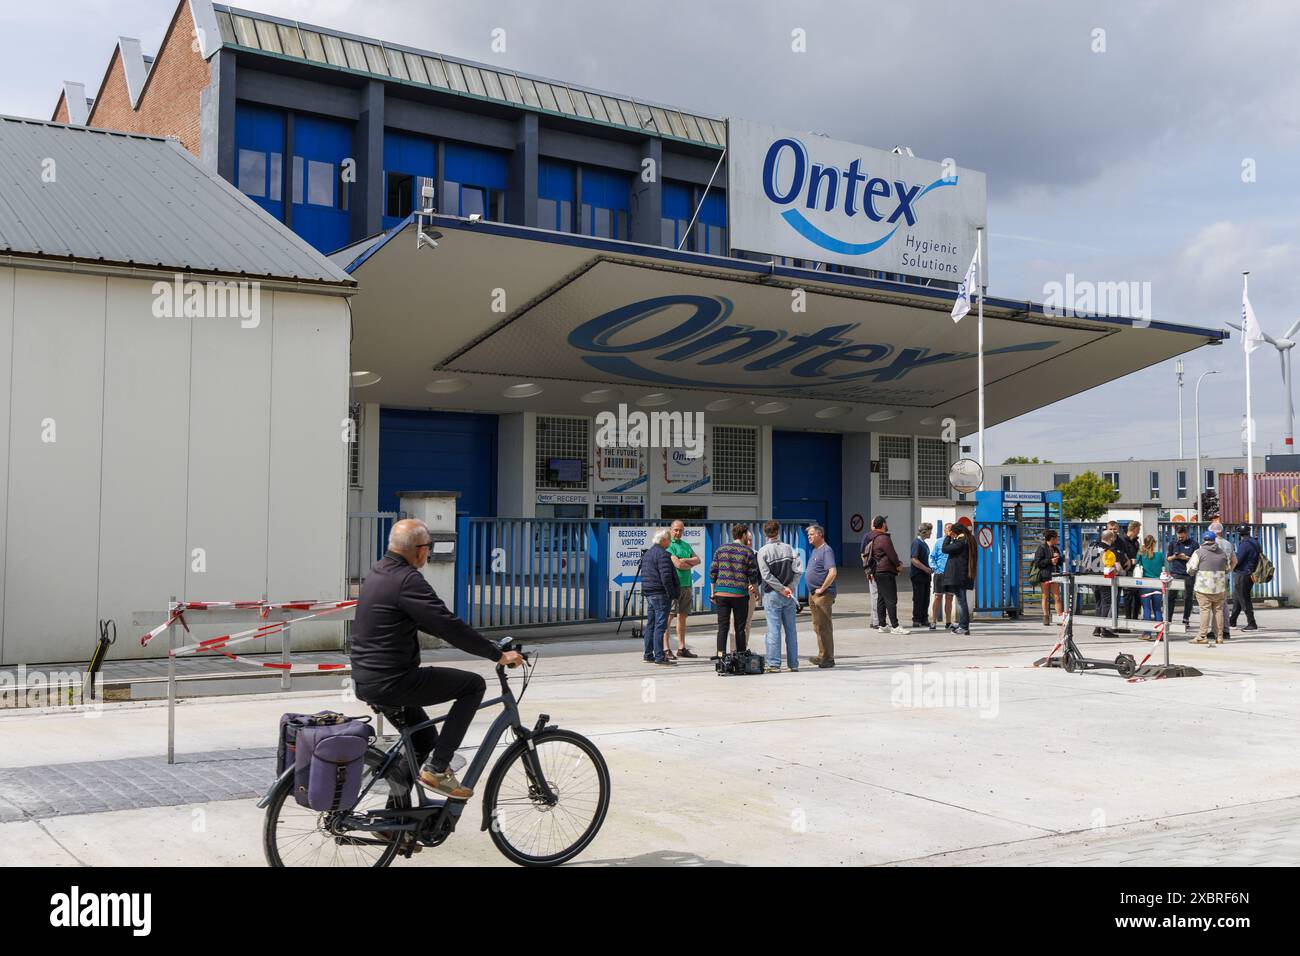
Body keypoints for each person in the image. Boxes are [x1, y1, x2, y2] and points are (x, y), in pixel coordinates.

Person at [350, 518, 523, 800]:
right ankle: (439, 769)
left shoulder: (379, 572)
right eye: (428, 548)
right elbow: (448, 625)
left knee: (423, 739)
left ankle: (396, 822)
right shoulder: (408, 580)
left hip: (367, 678)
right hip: (394, 681)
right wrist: (498, 654)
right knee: (473, 686)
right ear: (419, 550)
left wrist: (485, 645)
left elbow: (430, 622)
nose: (428, 554)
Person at [709, 523, 761, 659]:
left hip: (721, 593)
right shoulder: (747, 551)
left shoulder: (721, 549)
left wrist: (713, 592)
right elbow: (753, 575)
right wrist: (756, 591)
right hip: (739, 594)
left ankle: (720, 655)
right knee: (740, 627)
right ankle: (740, 656)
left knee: (723, 626)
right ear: (743, 535)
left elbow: (713, 572)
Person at [757, 520, 799, 672]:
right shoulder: (789, 549)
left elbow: (766, 576)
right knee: (791, 630)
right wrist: (790, 587)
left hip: (773, 594)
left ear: (765, 533)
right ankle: (793, 664)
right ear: (778, 531)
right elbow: (798, 571)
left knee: (774, 630)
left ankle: (774, 664)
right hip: (789, 595)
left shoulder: (763, 551)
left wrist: (781, 589)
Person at [639, 528, 680, 666]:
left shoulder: (648, 554)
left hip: (650, 593)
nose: (670, 541)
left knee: (651, 624)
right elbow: (666, 577)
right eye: (668, 539)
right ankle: (659, 657)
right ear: (663, 540)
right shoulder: (663, 555)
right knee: (660, 626)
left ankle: (648, 654)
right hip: (660, 593)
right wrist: (672, 593)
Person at [867, 515, 909, 634]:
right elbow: (892, 555)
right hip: (885, 571)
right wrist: (898, 565)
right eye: (886, 522)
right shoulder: (883, 538)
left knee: (881, 598)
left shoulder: (873, 537)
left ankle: (882, 624)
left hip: (877, 571)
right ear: (883, 524)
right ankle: (895, 626)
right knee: (891, 599)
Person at [665, 520, 701, 659]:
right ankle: (666, 648)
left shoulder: (685, 545)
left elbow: (698, 560)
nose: (678, 533)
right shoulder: (669, 545)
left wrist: (685, 560)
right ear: (670, 529)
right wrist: (688, 562)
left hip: (686, 585)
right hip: (674, 586)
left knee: (683, 617)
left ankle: (681, 647)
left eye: (680, 530)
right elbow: (678, 564)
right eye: (675, 530)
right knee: (669, 617)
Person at [1187, 530, 1230, 645]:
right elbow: (1227, 569)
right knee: (1218, 611)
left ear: (1203, 540)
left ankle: (1202, 636)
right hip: (1219, 587)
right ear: (1214, 540)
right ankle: (1219, 637)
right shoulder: (1222, 553)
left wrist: (1193, 572)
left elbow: (1191, 569)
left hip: (1203, 588)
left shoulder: (1199, 552)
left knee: (1205, 610)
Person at [805, 524, 838, 668]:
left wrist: (822, 588)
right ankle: (822, 655)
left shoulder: (826, 550)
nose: (809, 537)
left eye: (811, 534)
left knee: (824, 626)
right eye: (808, 535)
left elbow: (832, 572)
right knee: (817, 626)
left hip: (823, 595)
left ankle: (828, 659)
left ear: (820, 534)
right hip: (813, 594)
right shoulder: (815, 550)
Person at [940, 522, 976, 635]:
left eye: (953, 534)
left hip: (958, 576)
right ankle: (962, 625)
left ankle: (964, 627)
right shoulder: (967, 540)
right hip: (962, 576)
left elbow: (944, 549)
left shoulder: (961, 542)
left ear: (956, 533)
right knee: (962, 601)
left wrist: (948, 536)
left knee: (962, 601)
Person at [1229, 524, 1261, 632]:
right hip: (1250, 573)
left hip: (1242, 574)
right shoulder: (1255, 542)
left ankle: (1252, 624)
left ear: (1239, 534)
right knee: (1237, 598)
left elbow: (1238, 560)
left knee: (1244, 599)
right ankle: (1232, 622)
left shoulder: (1244, 544)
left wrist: (1230, 566)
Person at [1164, 524, 1196, 632]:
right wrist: (1176, 556)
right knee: (1171, 596)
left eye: (1182, 537)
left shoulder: (1194, 544)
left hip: (1188, 574)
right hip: (1175, 573)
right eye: (1179, 537)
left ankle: (1186, 619)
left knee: (1188, 597)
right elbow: (1168, 558)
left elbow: (1196, 560)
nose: (1180, 539)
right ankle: (1169, 618)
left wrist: (1186, 557)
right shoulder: (1173, 543)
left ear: (1186, 534)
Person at [1135, 534, 1166, 639]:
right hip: (1157, 584)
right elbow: (1165, 568)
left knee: (1146, 609)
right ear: (1154, 543)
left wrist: (1141, 551)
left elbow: (1137, 566)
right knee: (1157, 609)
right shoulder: (1160, 555)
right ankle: (1160, 633)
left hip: (1145, 584)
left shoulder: (1141, 555)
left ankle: (1147, 633)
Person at [1032, 529, 1063, 626]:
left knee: (1057, 596)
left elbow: (1060, 563)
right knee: (1045, 596)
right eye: (1057, 537)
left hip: (1055, 575)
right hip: (1045, 575)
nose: (1058, 539)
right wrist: (1050, 561)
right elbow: (1038, 563)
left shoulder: (1055, 549)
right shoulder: (1041, 548)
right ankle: (1046, 616)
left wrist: (1059, 559)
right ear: (1052, 538)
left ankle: (1059, 617)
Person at [909, 523, 934, 629]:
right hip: (918, 575)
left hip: (925, 575)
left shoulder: (924, 543)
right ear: (924, 531)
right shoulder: (917, 543)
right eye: (929, 530)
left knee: (925, 598)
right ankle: (916, 619)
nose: (931, 533)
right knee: (918, 598)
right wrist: (926, 569)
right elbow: (914, 559)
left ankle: (924, 618)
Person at [859, 522, 881, 628]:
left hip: (876, 571)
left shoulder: (878, 537)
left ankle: (873, 620)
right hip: (873, 571)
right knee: (876, 596)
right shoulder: (868, 537)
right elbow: (863, 555)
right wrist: (868, 571)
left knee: (875, 595)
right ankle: (876, 620)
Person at [929, 534, 953, 632]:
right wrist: (936, 569)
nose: (950, 531)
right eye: (948, 529)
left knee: (949, 598)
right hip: (940, 573)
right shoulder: (939, 542)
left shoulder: (955, 543)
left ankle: (948, 622)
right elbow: (932, 556)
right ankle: (933, 621)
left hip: (951, 574)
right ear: (945, 530)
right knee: (938, 597)